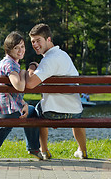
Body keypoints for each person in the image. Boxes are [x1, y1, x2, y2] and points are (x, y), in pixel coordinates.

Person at [25, 23, 87, 160]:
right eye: (33, 42)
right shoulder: (63, 55)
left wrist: (31, 67)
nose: (35, 44)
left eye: (38, 40)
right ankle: (82, 150)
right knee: (76, 112)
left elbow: (30, 84)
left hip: (52, 113)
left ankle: (44, 150)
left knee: (35, 110)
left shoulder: (49, 60)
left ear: (48, 39)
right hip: (75, 112)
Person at [0, 31, 43, 161]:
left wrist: (23, 104)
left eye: (22, 46)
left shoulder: (4, 62)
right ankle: (34, 149)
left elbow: (11, 93)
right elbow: (18, 86)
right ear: (9, 49)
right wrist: (24, 73)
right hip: (5, 110)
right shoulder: (11, 65)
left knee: (22, 113)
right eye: (16, 48)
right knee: (33, 113)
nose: (21, 50)